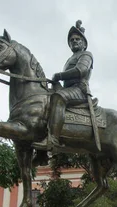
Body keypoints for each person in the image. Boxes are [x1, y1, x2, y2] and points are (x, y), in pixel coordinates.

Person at [40, 19, 94, 150]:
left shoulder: (87, 55)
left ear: (84, 43)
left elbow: (81, 70)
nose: (74, 41)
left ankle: (53, 139)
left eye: (77, 39)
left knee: (59, 97)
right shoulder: (69, 59)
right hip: (69, 89)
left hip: (79, 90)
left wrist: (59, 75)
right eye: (72, 40)